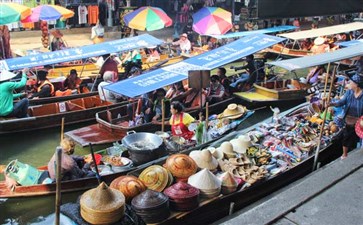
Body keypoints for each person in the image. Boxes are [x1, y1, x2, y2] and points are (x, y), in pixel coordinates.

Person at [330, 73, 363, 160]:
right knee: (346, 138)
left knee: (360, 138)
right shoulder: (349, 92)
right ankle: (344, 155)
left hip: (360, 121)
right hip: (349, 120)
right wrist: (331, 103)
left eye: (351, 82)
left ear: (356, 84)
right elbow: (341, 102)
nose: (349, 83)